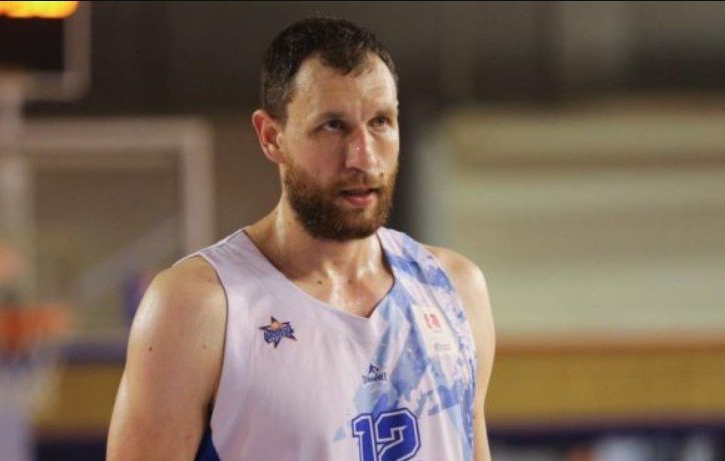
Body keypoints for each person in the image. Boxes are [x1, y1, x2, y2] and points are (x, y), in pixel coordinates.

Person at [107, 16, 495, 461]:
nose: (364, 158)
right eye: (333, 126)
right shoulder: (197, 306)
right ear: (271, 137)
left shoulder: (454, 289)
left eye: (381, 122)